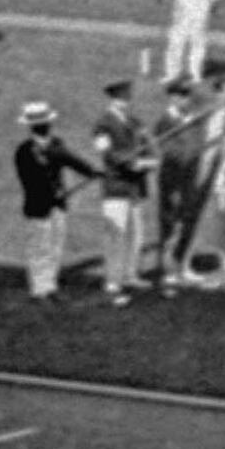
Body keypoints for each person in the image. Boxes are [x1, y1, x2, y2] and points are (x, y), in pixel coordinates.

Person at [10, 101, 95, 301]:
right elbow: (31, 180)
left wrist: (91, 171)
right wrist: (51, 195)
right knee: (39, 247)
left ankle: (50, 286)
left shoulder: (56, 144)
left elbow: (72, 161)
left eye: (46, 122)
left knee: (56, 245)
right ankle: (39, 288)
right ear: (32, 127)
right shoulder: (25, 151)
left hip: (58, 205)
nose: (45, 126)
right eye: (40, 124)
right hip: (38, 207)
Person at [90, 80, 154, 303]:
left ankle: (131, 274)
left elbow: (149, 146)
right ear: (112, 99)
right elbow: (107, 153)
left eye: (127, 98)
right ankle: (112, 280)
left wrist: (148, 161)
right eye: (120, 98)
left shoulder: (136, 122)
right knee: (115, 234)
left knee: (136, 233)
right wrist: (131, 163)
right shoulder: (102, 124)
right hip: (116, 186)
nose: (124, 102)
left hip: (136, 186)